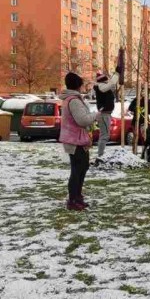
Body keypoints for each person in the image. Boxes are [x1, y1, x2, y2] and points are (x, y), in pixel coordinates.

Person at [60, 72, 99, 211]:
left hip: (76, 139)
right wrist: (96, 115)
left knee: (82, 168)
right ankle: (73, 199)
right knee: (77, 170)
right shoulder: (74, 101)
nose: (84, 87)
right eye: (82, 84)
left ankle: (77, 196)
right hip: (75, 140)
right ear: (78, 85)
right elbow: (82, 120)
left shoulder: (70, 99)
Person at [93, 69, 120, 158]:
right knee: (105, 135)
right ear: (103, 80)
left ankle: (101, 154)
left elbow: (111, 83)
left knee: (104, 135)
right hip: (104, 114)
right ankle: (100, 155)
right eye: (106, 80)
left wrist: (116, 74)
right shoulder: (101, 87)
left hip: (105, 113)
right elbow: (112, 83)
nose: (107, 81)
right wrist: (116, 74)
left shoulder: (102, 86)